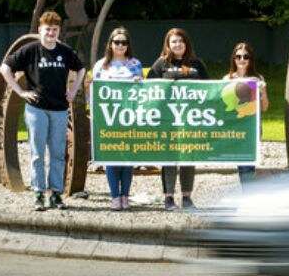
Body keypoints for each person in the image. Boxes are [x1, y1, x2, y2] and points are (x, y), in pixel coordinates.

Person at [0, 11, 85, 211]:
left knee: (57, 153)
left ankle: (55, 194)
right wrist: (20, 91)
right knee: (37, 153)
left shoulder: (64, 51)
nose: (51, 33)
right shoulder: (31, 50)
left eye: (55, 29)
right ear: (40, 30)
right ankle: (38, 193)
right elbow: (5, 68)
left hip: (60, 110)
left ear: (59, 31)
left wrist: (73, 90)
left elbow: (80, 69)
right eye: (48, 29)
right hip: (36, 109)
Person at [147, 28, 209, 211]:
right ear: (168, 44)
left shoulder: (197, 64)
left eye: (180, 41)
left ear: (186, 43)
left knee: (188, 157)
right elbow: (148, 88)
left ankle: (187, 198)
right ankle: (168, 198)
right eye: (173, 41)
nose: (177, 44)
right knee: (169, 157)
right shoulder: (161, 64)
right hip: (168, 120)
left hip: (191, 119)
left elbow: (211, 88)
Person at [87, 27, 143, 210]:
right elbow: (92, 96)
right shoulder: (101, 65)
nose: (120, 45)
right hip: (107, 119)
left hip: (129, 117)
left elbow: (144, 93)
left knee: (128, 158)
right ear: (110, 44)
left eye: (123, 42)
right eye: (116, 42)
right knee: (111, 157)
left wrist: (138, 83)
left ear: (128, 45)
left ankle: (125, 196)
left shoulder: (135, 64)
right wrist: (89, 87)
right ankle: (114, 197)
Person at [223, 42, 269, 184]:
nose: (242, 59)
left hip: (252, 126)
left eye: (246, 56)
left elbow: (265, 107)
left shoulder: (257, 79)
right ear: (233, 59)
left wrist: (262, 91)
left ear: (250, 59)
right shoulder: (227, 79)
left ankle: (247, 195)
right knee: (242, 163)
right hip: (236, 126)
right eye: (238, 56)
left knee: (248, 163)